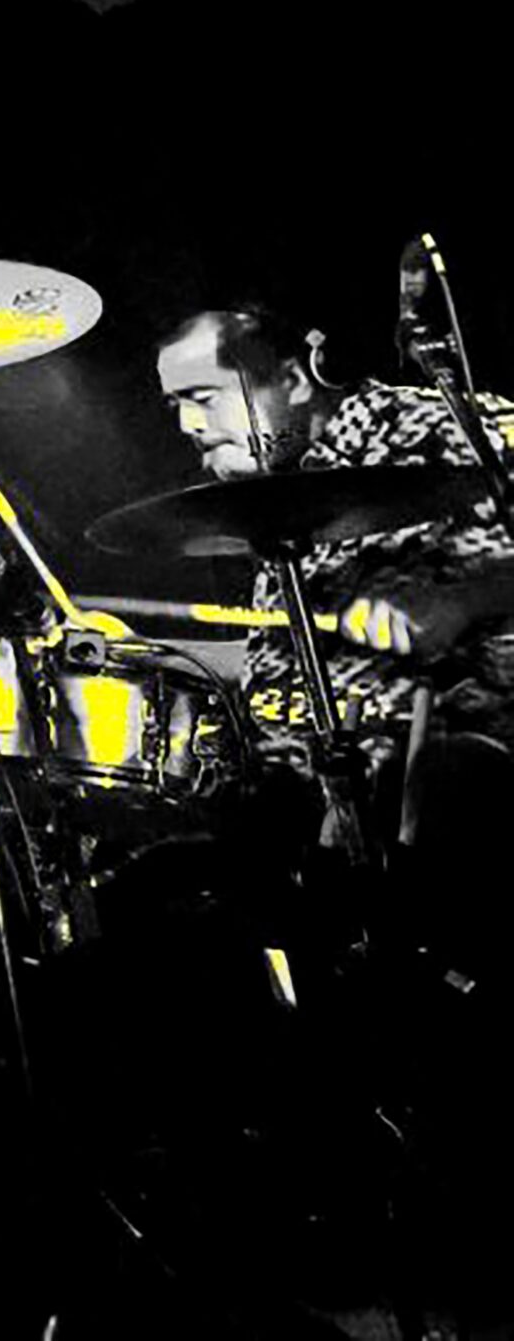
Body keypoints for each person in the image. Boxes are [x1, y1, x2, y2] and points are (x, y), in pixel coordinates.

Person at [153, 306, 513, 955]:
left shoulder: (445, 425)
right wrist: (137, 652)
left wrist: (461, 600)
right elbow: (281, 656)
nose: (186, 425)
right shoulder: (283, 494)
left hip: (454, 809)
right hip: (311, 811)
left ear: (293, 380)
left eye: (202, 397)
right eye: (174, 404)